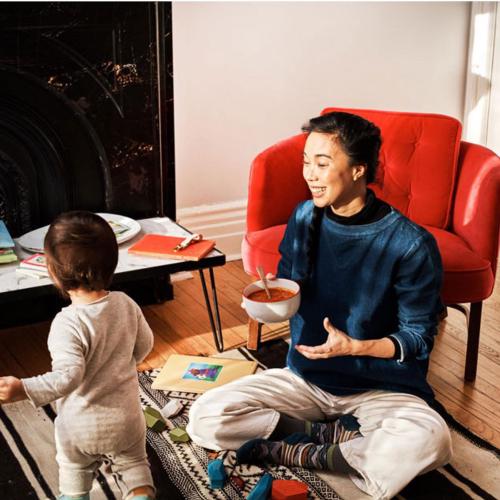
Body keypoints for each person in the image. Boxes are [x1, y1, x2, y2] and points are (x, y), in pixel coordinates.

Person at [187, 112, 452, 499]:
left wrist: (355, 347)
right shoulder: (304, 217)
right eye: (306, 162)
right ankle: (323, 437)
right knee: (206, 415)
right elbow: (288, 286)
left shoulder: (410, 244)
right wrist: (267, 303)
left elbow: (417, 338)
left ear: (359, 169)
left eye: (322, 163)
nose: (309, 174)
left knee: (431, 441)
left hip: (381, 388)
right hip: (306, 377)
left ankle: (292, 450)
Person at [0, 211, 155, 500]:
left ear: (53, 272)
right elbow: (144, 346)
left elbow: (67, 377)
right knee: (135, 465)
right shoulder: (126, 304)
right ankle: (140, 494)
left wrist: (23, 388)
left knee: (73, 469)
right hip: (127, 419)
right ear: (113, 263)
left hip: (80, 425)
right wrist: (119, 365)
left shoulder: (67, 323)